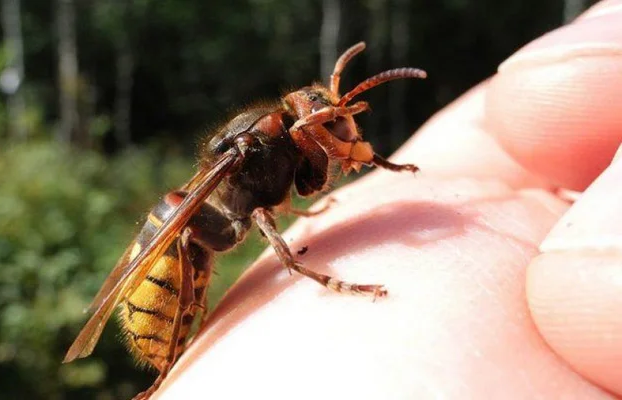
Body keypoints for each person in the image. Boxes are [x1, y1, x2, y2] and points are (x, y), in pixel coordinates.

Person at [157, 1, 622, 398]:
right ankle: (166, 367)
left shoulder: (284, 146)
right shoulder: (256, 152)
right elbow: (253, 203)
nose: (344, 136)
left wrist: (380, 168)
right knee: (188, 231)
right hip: (172, 254)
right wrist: (312, 273)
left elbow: (283, 183)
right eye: (330, 126)